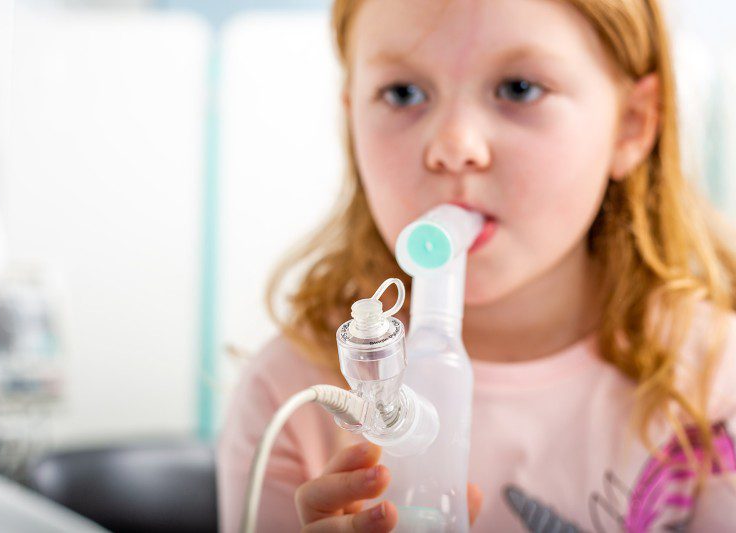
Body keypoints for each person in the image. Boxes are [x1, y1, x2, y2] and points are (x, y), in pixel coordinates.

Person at [217, 0, 736, 531]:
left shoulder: (718, 385)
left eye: (519, 89)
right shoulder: (287, 397)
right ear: (352, 121)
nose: (454, 147)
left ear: (631, 123)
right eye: (403, 93)